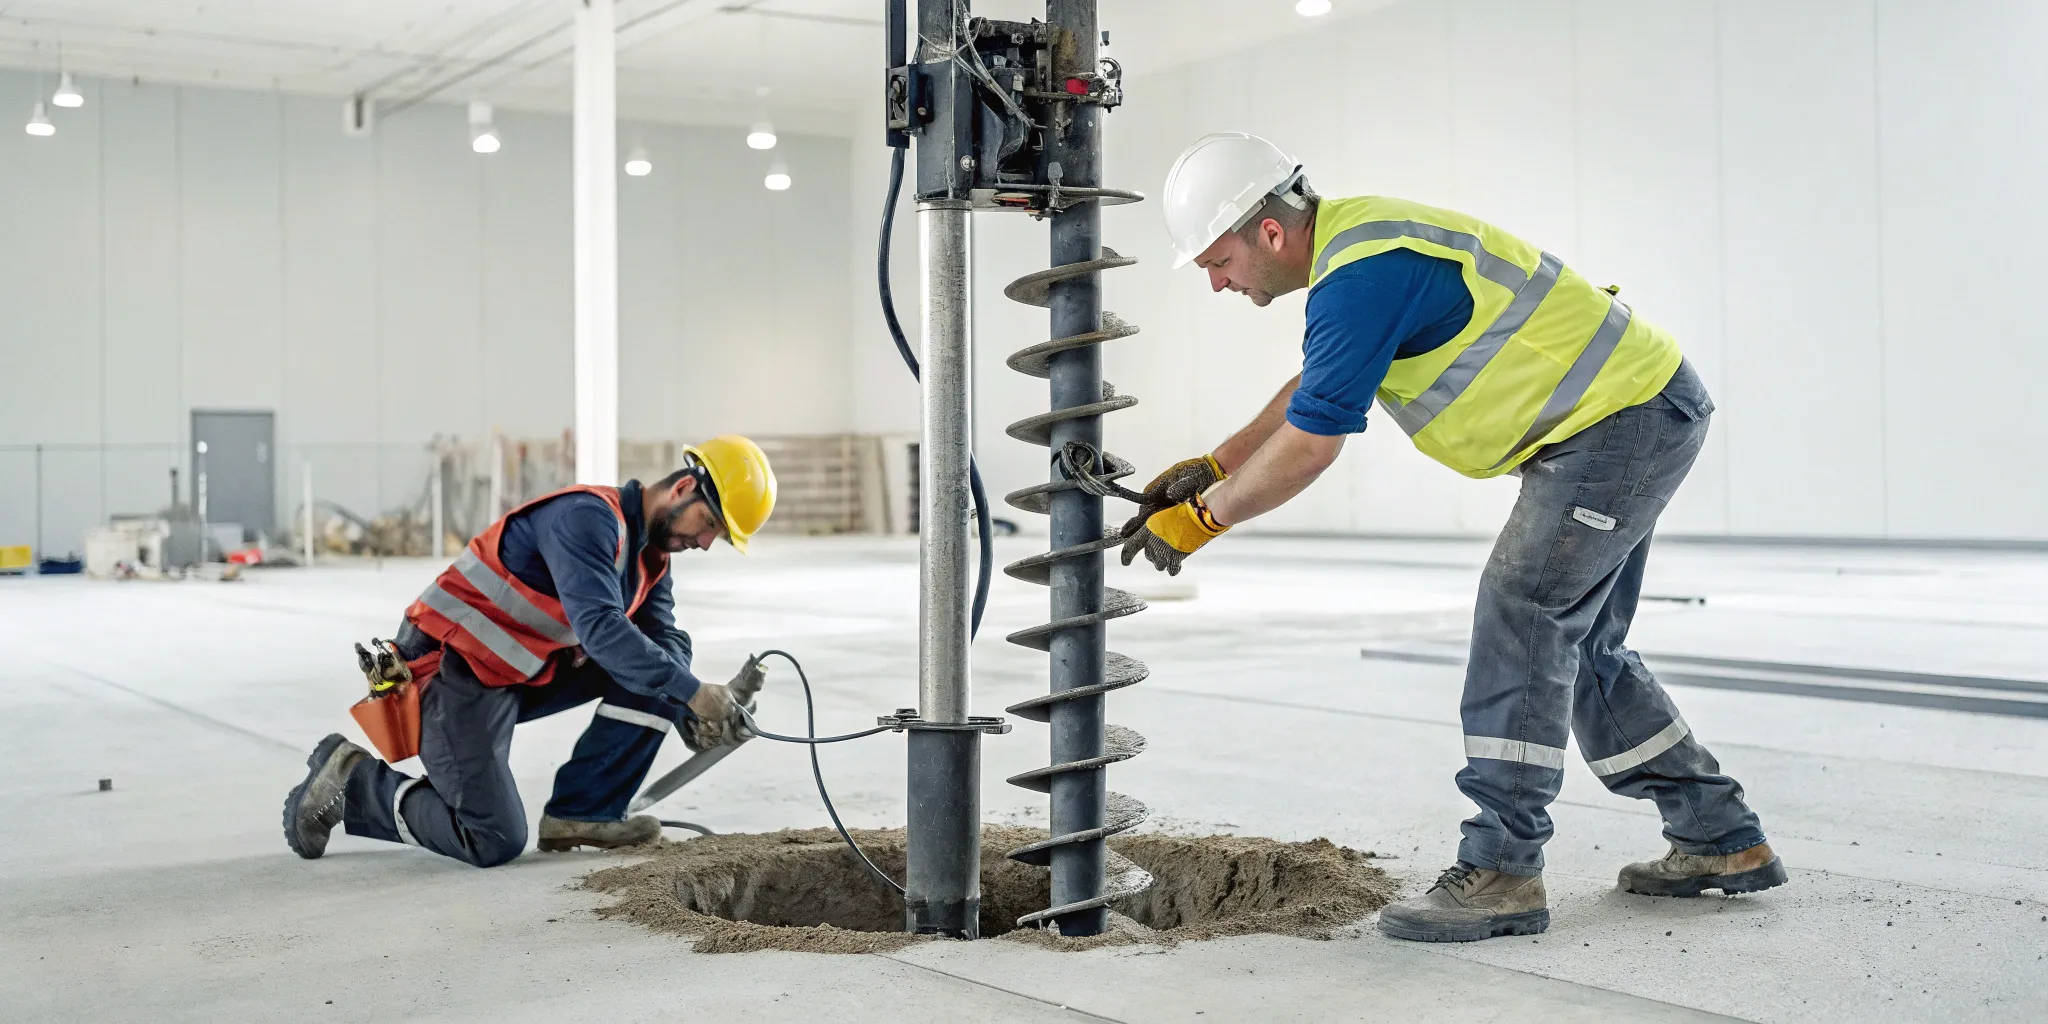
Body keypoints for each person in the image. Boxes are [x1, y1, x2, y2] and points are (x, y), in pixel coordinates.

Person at [1123, 133, 1784, 942]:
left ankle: (1503, 869)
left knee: (1524, 613)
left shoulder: (1358, 276)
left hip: (1617, 424)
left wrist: (1204, 518)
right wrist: (1212, 465)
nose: (1220, 284)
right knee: (1583, 649)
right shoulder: (1355, 247)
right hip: (1631, 414)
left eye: (1217, 263)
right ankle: (1720, 837)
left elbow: (1311, 444)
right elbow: (1315, 387)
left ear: (1267, 231)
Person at [282, 436, 778, 867]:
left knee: (663, 664)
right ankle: (355, 780)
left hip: (511, 674)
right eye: (710, 523)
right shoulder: (587, 519)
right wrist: (691, 692)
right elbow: (601, 628)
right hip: (449, 672)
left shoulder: (651, 557)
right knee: (493, 838)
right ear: (683, 488)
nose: (707, 542)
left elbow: (664, 642)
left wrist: (693, 709)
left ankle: (583, 813)